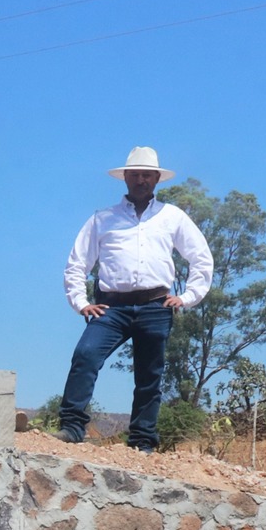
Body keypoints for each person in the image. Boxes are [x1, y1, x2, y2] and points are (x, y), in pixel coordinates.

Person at [58, 147, 215, 451]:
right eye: (135, 174)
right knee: (86, 355)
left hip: (156, 306)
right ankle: (73, 427)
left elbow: (201, 258)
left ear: (157, 178)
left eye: (147, 175)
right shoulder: (102, 219)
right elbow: (77, 263)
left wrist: (187, 297)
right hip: (110, 307)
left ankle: (142, 442)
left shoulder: (173, 217)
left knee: (149, 374)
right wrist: (80, 302)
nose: (141, 180)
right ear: (125, 178)